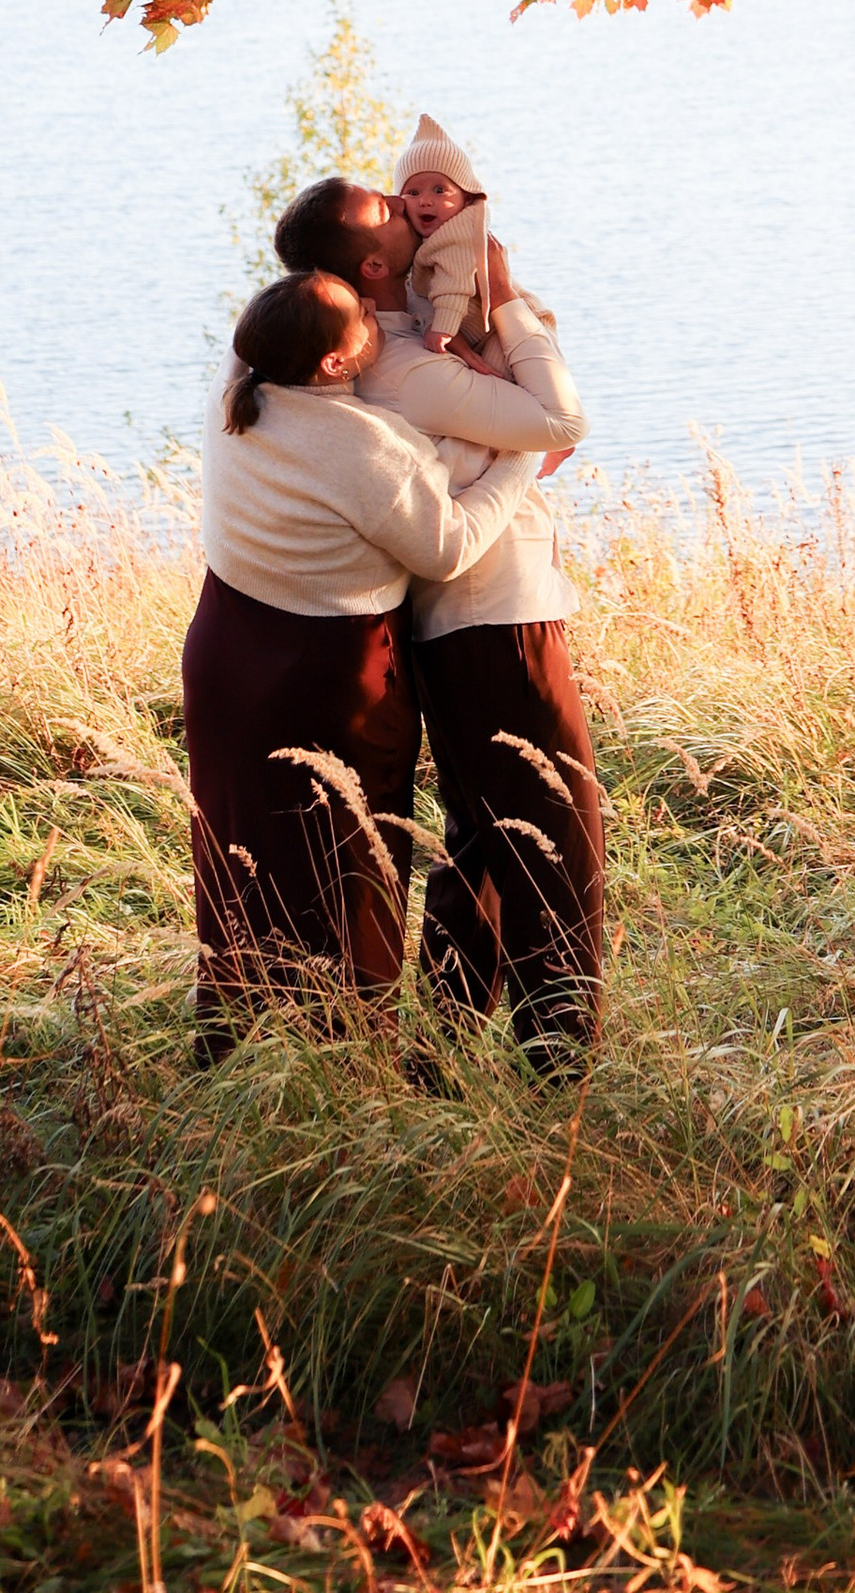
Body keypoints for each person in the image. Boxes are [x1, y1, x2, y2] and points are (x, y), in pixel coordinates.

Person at [272, 171, 606, 1075]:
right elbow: (565, 418)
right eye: (384, 209)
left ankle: (440, 1054)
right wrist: (504, 300)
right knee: (558, 841)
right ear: (375, 263)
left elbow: (545, 435)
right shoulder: (410, 367)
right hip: (497, 616)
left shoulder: (407, 340)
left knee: (483, 844)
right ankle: (564, 1070)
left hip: (461, 620)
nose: (405, 200)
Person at [182, 267, 539, 1056]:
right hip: (325, 670)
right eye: (362, 325)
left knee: (239, 849)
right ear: (337, 366)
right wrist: (518, 456)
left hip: (224, 651)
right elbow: (445, 547)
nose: (378, 327)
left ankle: (237, 1037)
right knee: (345, 859)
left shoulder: (236, 390)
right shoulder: (362, 444)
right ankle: (340, 1048)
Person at [393, 107, 494, 352]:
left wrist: (443, 330)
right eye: (413, 192)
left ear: (467, 197)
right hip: (478, 332)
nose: (425, 201)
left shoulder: (457, 233)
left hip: (497, 334)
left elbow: (455, 282)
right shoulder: (427, 236)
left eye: (440, 190)